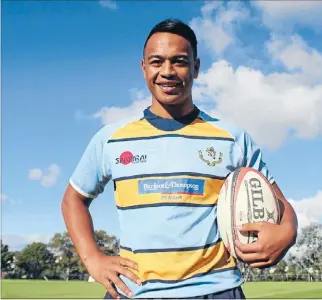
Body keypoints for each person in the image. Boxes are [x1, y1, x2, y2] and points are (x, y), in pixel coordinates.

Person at [61, 19, 298, 299]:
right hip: (134, 292)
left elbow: (280, 203)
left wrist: (288, 232)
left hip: (217, 290)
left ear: (196, 68)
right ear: (144, 68)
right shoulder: (111, 138)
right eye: (157, 62)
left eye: (180, 61)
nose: (167, 72)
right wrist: (93, 258)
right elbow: (73, 199)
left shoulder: (232, 138)